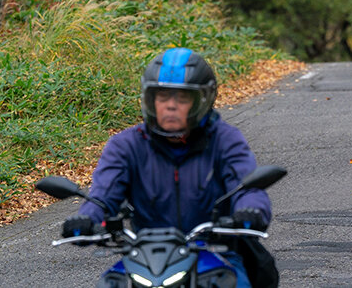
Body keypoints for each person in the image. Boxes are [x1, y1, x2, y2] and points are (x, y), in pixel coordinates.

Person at [61, 48, 276, 288]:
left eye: (182, 98)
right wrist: (85, 220)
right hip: (145, 258)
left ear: (203, 101)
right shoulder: (126, 145)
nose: (170, 107)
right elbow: (103, 194)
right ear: (150, 100)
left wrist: (250, 212)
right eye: (162, 97)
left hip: (215, 250)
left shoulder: (225, 140)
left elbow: (247, 187)